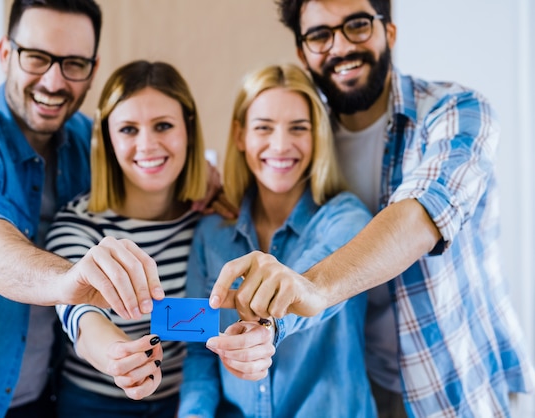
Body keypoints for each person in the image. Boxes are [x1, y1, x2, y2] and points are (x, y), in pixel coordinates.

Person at [207, 0, 535, 417]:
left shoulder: (457, 112)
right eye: (320, 35)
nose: (340, 46)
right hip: (358, 384)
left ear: (390, 33)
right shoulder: (304, 138)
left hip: (453, 378)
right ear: (303, 53)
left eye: (357, 25)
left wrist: (313, 287)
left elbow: (419, 215)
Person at [0, 2, 209, 417]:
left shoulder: (90, 143)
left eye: (73, 63)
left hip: (47, 395)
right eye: (36, 57)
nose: (53, 81)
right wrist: (76, 287)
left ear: (93, 66)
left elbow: (143, 150)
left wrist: (207, 175)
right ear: (5, 53)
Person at [179, 63, 376, 418]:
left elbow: (305, 288)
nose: (280, 145)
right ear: (240, 136)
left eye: (298, 128)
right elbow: (199, 354)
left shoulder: (348, 220)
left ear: (317, 135)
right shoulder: (211, 233)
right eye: (263, 128)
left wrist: (268, 327)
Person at [44, 60, 208, 418]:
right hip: (92, 405)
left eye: (163, 126)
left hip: (189, 402)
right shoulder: (77, 226)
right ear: (107, 139)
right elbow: (80, 316)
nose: (147, 145)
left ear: (189, 132)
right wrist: (120, 358)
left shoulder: (210, 219)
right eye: (128, 129)